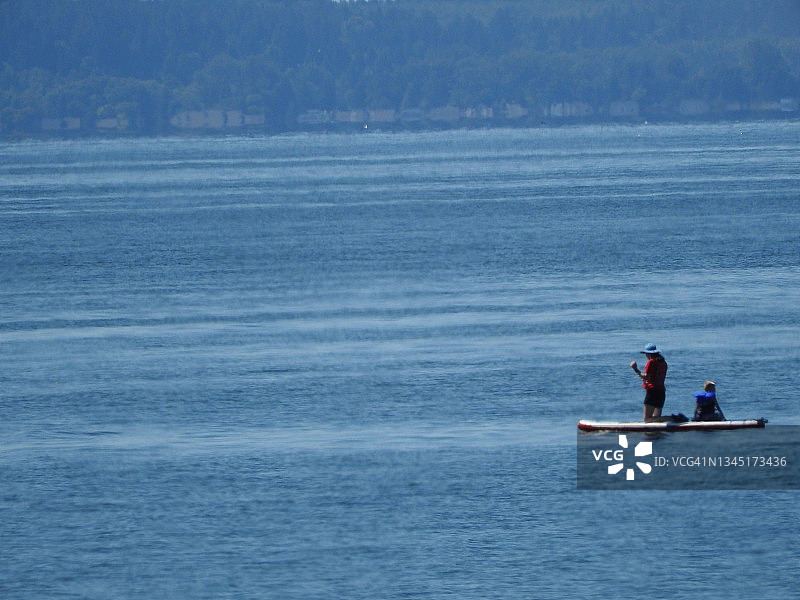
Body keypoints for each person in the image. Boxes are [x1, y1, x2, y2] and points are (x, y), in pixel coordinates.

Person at [629, 343, 668, 422]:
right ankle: (673, 419)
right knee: (656, 419)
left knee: (647, 419)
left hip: (652, 392)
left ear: (648, 354)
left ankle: (672, 418)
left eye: (646, 354)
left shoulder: (651, 362)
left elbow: (646, 377)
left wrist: (635, 369)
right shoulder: (663, 363)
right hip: (661, 392)